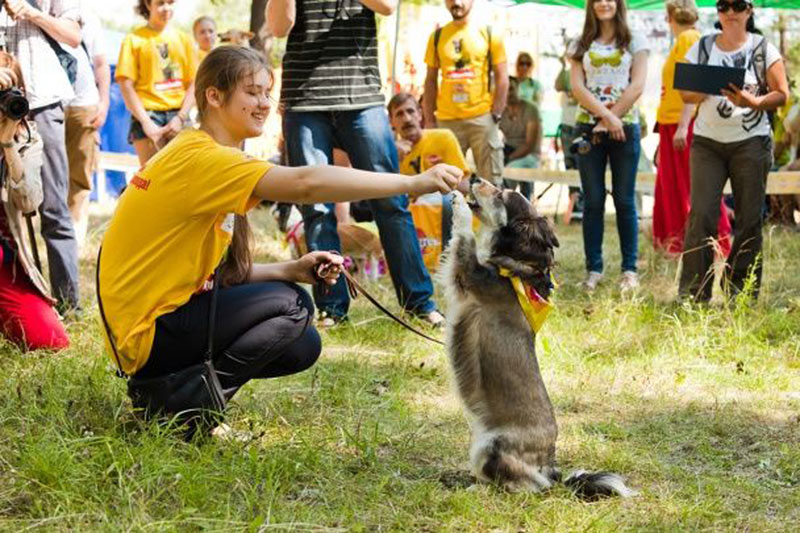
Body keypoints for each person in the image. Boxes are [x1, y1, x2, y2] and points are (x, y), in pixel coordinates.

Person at [97, 47, 461, 428]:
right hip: (145, 336)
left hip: (146, 331)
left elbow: (210, 277)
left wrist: (292, 268)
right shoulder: (204, 158)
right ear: (214, 96)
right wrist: (411, 182)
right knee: (292, 307)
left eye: (268, 93)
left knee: (302, 342)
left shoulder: (197, 152)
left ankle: (178, 394)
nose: (264, 104)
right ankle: (180, 406)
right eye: (252, 92)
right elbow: (306, 183)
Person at [267, 0, 445, 327]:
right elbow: (280, 27)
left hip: (362, 98)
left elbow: (388, 6)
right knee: (317, 208)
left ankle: (419, 302)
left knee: (391, 201)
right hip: (305, 100)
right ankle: (331, 308)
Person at [678, 0, 788, 302]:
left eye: (737, 5)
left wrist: (752, 103)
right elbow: (685, 93)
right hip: (707, 143)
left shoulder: (762, 48)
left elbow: (782, 94)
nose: (730, 12)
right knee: (701, 215)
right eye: (723, 5)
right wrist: (709, 85)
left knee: (750, 219)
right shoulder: (702, 47)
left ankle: (741, 293)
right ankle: (693, 294)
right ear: (717, 12)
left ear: (749, 11)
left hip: (751, 142)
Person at [0, 0, 82, 312]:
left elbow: (73, 35)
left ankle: (68, 303)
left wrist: (31, 11)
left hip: (41, 100)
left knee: (53, 206)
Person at [569, 0, 649, 291]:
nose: (604, 3)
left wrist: (615, 120)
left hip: (625, 129)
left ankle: (629, 270)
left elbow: (637, 85)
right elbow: (577, 87)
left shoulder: (635, 40)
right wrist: (606, 118)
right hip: (589, 128)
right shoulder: (580, 43)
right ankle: (594, 269)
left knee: (625, 200)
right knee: (592, 201)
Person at [0, 52, 68, 351]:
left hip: (4, 258)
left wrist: (7, 144)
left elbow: (28, 202)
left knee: (51, 339)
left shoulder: (26, 138)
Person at [653, 0, 731, 257]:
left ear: (669, 16)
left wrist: (683, 125)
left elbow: (694, 83)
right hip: (671, 123)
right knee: (674, 188)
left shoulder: (689, 37)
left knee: (695, 187)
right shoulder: (686, 39)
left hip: (682, 124)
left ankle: (717, 242)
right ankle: (678, 245)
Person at [422, 0, 508, 186]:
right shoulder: (437, 36)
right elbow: (430, 80)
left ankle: (490, 217)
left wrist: (496, 113)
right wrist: (429, 120)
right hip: (446, 121)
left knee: (491, 186)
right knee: (446, 186)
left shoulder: (489, 33)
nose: (456, 2)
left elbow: (502, 77)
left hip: (482, 119)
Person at [388, 92, 470, 265]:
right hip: (411, 214)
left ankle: (447, 261)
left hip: (442, 209)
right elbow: (387, 195)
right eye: (399, 114)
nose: (407, 118)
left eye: (411, 111)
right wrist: (394, 159)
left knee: (449, 200)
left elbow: (464, 186)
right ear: (391, 122)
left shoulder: (443, 137)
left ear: (420, 113)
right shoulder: (390, 151)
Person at [116, 0, 198, 165]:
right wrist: (146, 123)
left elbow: (195, 82)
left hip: (179, 115)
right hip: (147, 116)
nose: (166, 8)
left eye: (170, 2)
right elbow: (126, 85)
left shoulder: (185, 40)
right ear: (148, 5)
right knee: (149, 180)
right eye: (160, 3)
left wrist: (181, 117)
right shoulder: (133, 40)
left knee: (185, 178)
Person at [64, 9, 110, 249]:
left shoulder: (90, 16)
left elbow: (101, 63)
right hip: (43, 104)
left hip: (83, 105)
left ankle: (75, 237)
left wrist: (103, 103)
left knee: (81, 174)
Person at [499, 77, 541, 200]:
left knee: (510, 170)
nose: (508, 93)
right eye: (505, 89)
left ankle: (508, 203)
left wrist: (508, 158)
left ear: (518, 89)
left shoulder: (531, 109)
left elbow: (530, 145)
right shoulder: (501, 110)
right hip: (509, 152)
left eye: (511, 89)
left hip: (530, 155)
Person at [554, 50, 584, 225]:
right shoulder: (565, 74)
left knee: (583, 166)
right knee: (570, 165)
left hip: (580, 125)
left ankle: (582, 205)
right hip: (566, 126)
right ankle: (574, 206)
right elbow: (558, 86)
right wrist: (563, 66)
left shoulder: (584, 72)